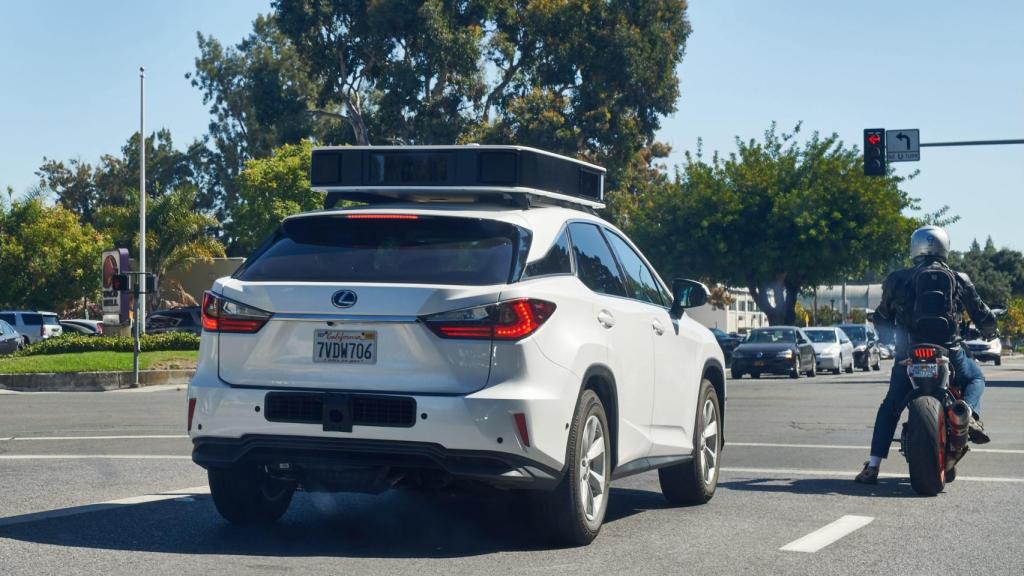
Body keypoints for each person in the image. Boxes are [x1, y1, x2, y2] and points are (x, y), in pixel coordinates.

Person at [855, 225, 998, 484]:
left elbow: (882, 316)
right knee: (976, 378)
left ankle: (873, 466)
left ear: (915, 248)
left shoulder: (897, 279)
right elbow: (981, 314)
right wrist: (990, 329)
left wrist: (886, 336)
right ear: (945, 248)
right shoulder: (958, 278)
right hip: (949, 351)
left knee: (890, 406)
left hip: (908, 353)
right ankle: (967, 413)